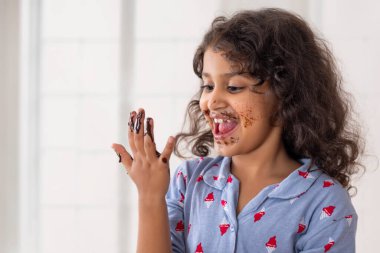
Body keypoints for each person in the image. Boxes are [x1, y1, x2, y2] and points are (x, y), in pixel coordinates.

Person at [112, 7, 365, 253]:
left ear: (285, 96)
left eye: (233, 87)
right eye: (208, 86)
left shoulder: (323, 202)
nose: (211, 102)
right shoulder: (189, 182)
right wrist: (150, 196)